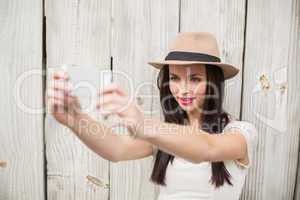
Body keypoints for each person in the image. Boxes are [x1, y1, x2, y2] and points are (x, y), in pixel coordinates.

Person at [46, 32, 258, 200]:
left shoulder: (240, 133)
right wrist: (74, 118)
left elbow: (207, 148)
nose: (182, 89)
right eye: (174, 78)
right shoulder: (168, 136)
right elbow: (117, 148)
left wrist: (144, 125)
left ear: (214, 82)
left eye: (194, 79)